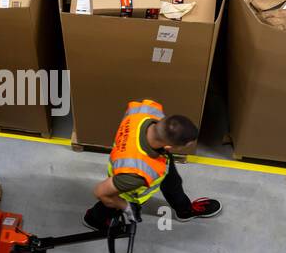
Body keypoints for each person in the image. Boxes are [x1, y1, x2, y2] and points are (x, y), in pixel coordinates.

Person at [83, 99, 222, 232]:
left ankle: (184, 210)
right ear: (168, 146)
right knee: (111, 205)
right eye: (186, 145)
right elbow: (100, 192)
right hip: (129, 185)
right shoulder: (136, 174)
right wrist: (126, 207)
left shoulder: (147, 109)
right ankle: (94, 219)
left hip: (157, 157)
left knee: (172, 182)